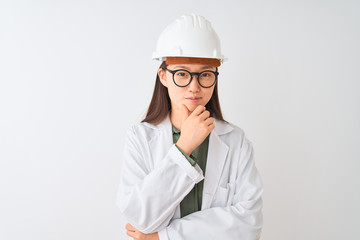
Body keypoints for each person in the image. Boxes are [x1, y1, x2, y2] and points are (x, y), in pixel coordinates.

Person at [116, 14, 263, 240]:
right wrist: (184, 146)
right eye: (182, 74)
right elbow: (140, 218)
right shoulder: (140, 138)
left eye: (205, 74)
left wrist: (160, 237)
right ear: (163, 76)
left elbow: (248, 226)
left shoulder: (236, 141)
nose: (194, 87)